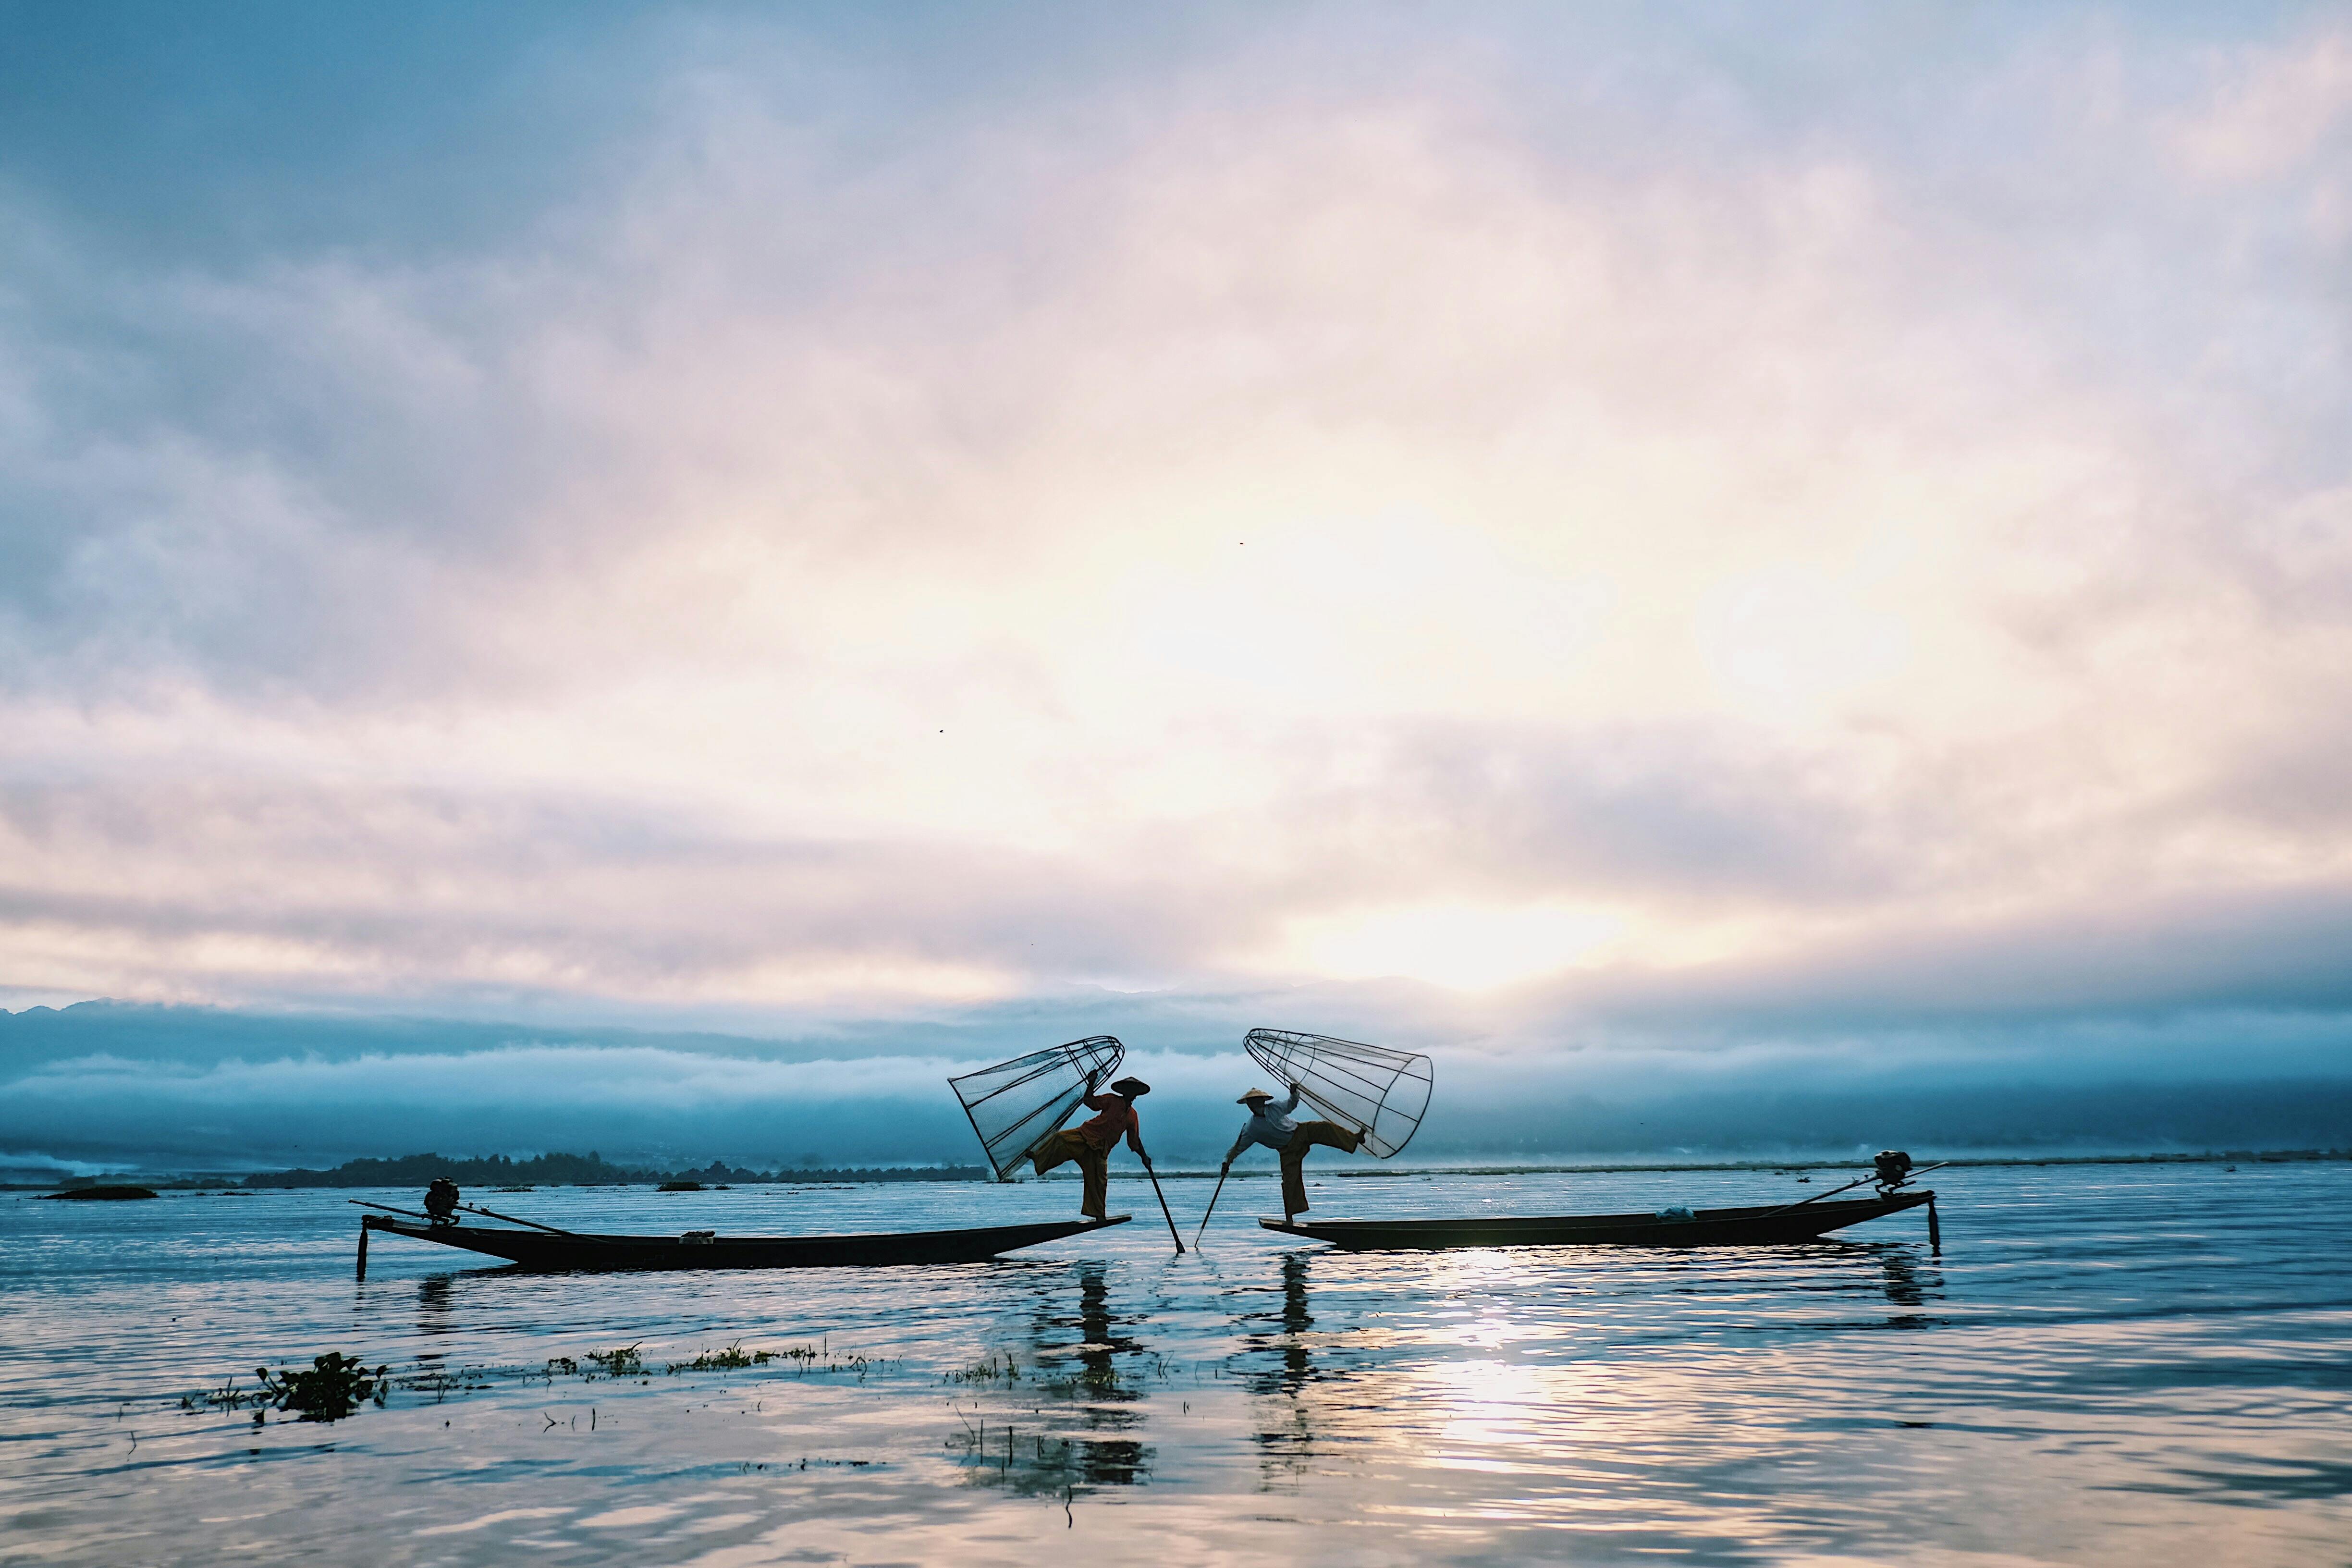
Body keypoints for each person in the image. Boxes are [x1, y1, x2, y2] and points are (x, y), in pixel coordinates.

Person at [1224, 1084, 1361, 1222]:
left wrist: (1294, 1093)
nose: (1257, 1104)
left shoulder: (1275, 1108)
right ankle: (1290, 1217)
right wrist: (1226, 1162)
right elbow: (1237, 1148)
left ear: (1263, 1101)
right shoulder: (1251, 1128)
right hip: (1287, 1150)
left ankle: (1353, 1139)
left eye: (1259, 1100)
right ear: (1249, 1105)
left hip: (1300, 1132)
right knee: (1289, 1182)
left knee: (1325, 1128)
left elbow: (1291, 1105)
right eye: (1253, 1102)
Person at [1032, 1075, 1153, 1221]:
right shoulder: (1112, 1100)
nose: (1131, 1095)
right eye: (1129, 1091)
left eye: (1134, 1092)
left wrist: (1144, 1157)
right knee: (1061, 1139)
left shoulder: (1132, 1116)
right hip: (1085, 1135)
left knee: (1099, 1181)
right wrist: (1091, 1084)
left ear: (1135, 1095)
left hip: (1101, 1151)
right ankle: (1038, 1157)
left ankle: (1098, 1215)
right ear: (1124, 1091)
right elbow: (1091, 1102)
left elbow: (1134, 1141)